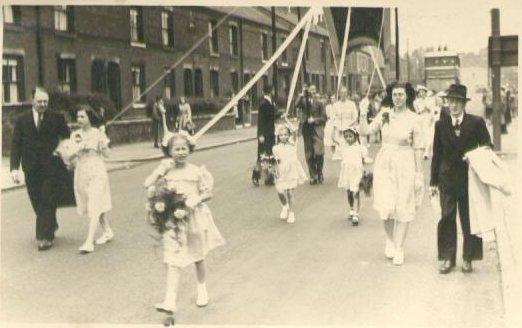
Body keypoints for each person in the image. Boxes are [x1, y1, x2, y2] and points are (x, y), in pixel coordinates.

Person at [144, 132, 225, 314]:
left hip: (193, 218)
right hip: (173, 220)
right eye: (176, 149)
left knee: (198, 256)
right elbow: (147, 184)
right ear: (169, 151)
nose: (180, 152)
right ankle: (170, 300)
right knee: (173, 259)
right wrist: (160, 169)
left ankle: (202, 289)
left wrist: (195, 199)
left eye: (184, 148)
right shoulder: (167, 172)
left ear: (189, 150)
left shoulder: (196, 171)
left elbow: (208, 192)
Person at [359, 82, 424, 266]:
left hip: (405, 162)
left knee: (403, 204)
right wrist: (363, 112)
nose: (398, 98)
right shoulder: (384, 115)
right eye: (395, 94)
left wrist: (419, 174)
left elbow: (418, 148)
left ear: (407, 96)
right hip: (385, 162)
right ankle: (390, 239)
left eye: (401, 94)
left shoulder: (414, 119)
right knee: (386, 204)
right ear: (391, 96)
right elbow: (365, 131)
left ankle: (400, 247)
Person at [430, 84, 492, 274]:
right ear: (447, 103)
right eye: (450, 102)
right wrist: (433, 182)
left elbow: (488, 146)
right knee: (447, 217)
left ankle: (468, 258)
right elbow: (437, 154)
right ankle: (448, 258)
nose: (454, 106)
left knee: (468, 218)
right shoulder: (441, 125)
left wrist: (473, 157)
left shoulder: (476, 123)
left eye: (457, 102)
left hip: (469, 179)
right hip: (446, 179)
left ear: (464, 104)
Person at [10, 87, 71, 251]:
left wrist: (62, 149)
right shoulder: (22, 120)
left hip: (51, 167)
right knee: (37, 200)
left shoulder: (56, 118)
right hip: (30, 168)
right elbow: (16, 145)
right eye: (39, 101)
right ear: (32, 101)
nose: (43, 104)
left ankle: (44, 237)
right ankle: (51, 223)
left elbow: (67, 137)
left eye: (45, 101)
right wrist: (14, 169)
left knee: (46, 199)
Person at [71, 105, 114, 253]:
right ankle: (108, 231)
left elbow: (108, 154)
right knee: (94, 203)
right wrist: (78, 150)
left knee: (95, 204)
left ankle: (89, 242)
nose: (79, 120)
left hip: (96, 170)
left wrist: (102, 144)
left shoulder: (98, 133)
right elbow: (70, 157)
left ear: (90, 117)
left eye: (83, 116)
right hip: (82, 171)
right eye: (78, 117)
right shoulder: (75, 135)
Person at [272, 123, 308, 224]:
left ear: (289, 135)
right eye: (281, 135)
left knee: (290, 193)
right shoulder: (275, 148)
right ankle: (285, 206)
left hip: (292, 171)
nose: (283, 137)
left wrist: (288, 121)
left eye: (285, 135)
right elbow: (276, 162)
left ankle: (291, 213)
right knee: (279, 191)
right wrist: (275, 171)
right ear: (278, 136)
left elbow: (295, 131)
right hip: (282, 171)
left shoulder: (293, 143)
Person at [337, 127, 368, 226]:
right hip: (347, 173)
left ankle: (356, 214)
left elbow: (363, 160)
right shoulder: (343, 146)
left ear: (355, 136)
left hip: (357, 172)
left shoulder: (360, 147)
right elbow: (335, 138)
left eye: (350, 136)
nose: (348, 139)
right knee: (349, 192)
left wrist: (363, 171)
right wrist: (335, 127)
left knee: (355, 192)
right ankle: (351, 208)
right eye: (346, 137)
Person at [298, 85, 327, 184]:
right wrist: (301, 95)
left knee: (319, 153)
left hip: (317, 130)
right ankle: (313, 176)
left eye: (314, 90)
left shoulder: (320, 103)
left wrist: (314, 120)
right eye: (310, 90)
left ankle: (319, 172)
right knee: (309, 154)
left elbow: (324, 118)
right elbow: (296, 105)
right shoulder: (303, 101)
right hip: (307, 130)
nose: (313, 92)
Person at [252, 84, 278, 186]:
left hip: (270, 132)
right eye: (273, 90)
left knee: (269, 155)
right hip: (265, 134)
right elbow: (261, 120)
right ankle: (255, 176)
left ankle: (269, 177)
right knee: (262, 156)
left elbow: (272, 116)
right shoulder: (264, 103)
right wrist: (260, 135)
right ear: (271, 91)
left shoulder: (270, 102)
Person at [331, 87, 358, 160]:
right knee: (339, 142)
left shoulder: (351, 104)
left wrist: (350, 126)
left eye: (345, 93)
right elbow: (333, 117)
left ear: (347, 94)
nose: (343, 95)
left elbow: (355, 116)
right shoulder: (335, 105)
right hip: (339, 127)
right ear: (339, 94)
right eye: (342, 93)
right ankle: (339, 153)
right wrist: (337, 126)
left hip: (349, 126)